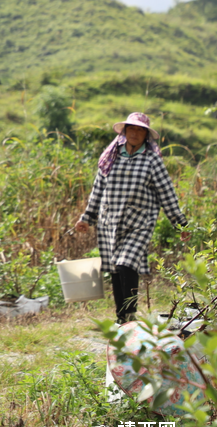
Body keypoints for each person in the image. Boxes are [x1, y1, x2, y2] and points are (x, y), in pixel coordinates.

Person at [74, 112, 189, 323]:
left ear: (146, 135)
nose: (135, 133)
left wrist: (181, 224)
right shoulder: (110, 157)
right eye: (132, 129)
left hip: (139, 223)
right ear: (125, 131)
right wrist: (87, 218)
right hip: (109, 223)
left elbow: (167, 192)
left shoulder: (152, 160)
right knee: (116, 270)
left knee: (127, 264)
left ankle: (131, 313)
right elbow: (98, 189)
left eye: (140, 130)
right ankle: (122, 319)